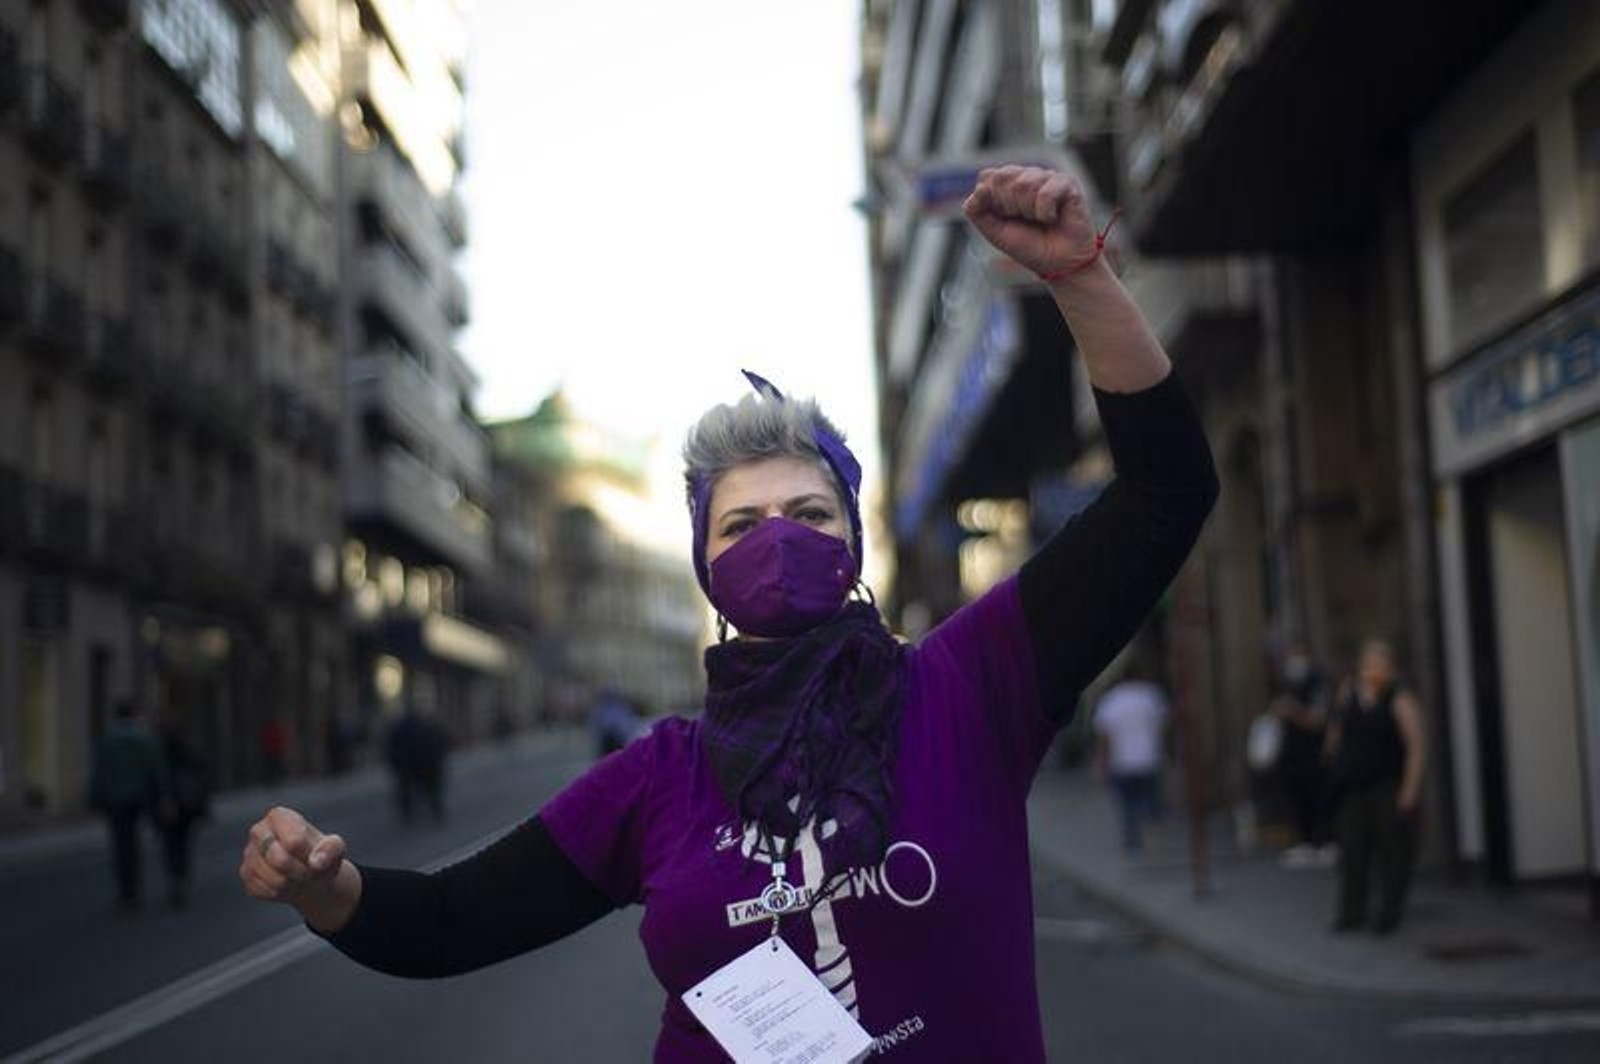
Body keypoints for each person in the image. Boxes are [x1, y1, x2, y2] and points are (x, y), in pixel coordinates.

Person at [240, 165, 1219, 1060]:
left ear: (851, 541)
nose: (775, 541)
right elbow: (451, 919)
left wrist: (1080, 277)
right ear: (706, 563)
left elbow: (1164, 495)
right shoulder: (661, 775)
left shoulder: (968, 685)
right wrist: (328, 886)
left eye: (807, 513)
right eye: (740, 524)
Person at [1326, 639, 1426, 935]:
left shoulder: (1399, 699)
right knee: (1352, 846)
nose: (1373, 670)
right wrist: (1332, 753)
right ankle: (1351, 912)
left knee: (1391, 848)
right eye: (1369, 664)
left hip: (1386, 783)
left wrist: (1409, 789)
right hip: (1353, 783)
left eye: (1380, 665)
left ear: (1390, 669)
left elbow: (1416, 746)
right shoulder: (1348, 692)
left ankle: (1389, 913)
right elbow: (1337, 728)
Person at [89, 700, 170, 912]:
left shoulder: (108, 740)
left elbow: (98, 771)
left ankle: (126, 892)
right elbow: (157, 769)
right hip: (139, 797)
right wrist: (164, 796)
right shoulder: (143, 739)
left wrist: (94, 797)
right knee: (142, 841)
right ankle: (143, 886)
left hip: (115, 800)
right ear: (133, 715)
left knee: (121, 844)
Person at [1092, 665, 1170, 853]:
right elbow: (1164, 726)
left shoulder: (1112, 700)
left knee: (1127, 805)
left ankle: (1133, 843)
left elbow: (1104, 736)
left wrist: (1102, 762)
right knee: (1152, 802)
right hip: (1150, 759)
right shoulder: (1152, 695)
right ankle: (1155, 842)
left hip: (1122, 762)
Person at [1271, 643, 1334, 868]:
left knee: (1318, 795)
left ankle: (1325, 841)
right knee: (1297, 796)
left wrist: (1294, 711)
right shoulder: (1287, 683)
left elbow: (1318, 720)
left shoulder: (1316, 681)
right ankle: (1305, 842)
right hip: (1293, 754)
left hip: (1313, 752)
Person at [158, 721, 212, 908]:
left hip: (170, 806)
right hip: (186, 806)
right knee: (182, 845)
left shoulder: (160, 752)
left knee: (171, 845)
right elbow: (203, 778)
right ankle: (180, 877)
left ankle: (175, 878)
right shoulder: (191, 751)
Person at [385, 707, 449, 823]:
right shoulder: (426, 728)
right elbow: (438, 744)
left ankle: (413, 814)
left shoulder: (404, 730)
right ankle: (434, 811)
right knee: (430, 791)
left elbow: (438, 744)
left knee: (424, 792)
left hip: (415, 767)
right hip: (423, 766)